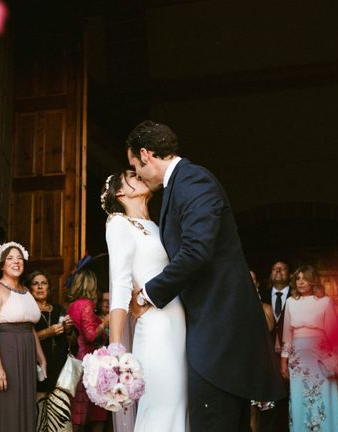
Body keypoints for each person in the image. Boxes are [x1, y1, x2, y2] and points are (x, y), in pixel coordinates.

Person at [126, 120, 285, 431]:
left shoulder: (194, 180)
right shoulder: (179, 186)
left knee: (213, 423)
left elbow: (197, 250)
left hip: (219, 331)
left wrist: (148, 293)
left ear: (145, 154)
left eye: (135, 165)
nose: (139, 175)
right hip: (209, 329)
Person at [103, 169, 189, 431]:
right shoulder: (118, 223)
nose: (140, 174)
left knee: (180, 405)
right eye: (132, 175)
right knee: (162, 404)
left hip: (179, 322)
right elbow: (120, 283)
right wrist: (115, 349)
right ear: (121, 192)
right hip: (155, 326)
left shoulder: (159, 226)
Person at [0, 241, 47, 432]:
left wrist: (41, 357)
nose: (16, 262)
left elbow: (30, 327)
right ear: (1, 264)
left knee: (22, 406)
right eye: (10, 258)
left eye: (20, 258)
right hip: (3, 354)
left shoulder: (26, 291)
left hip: (24, 356)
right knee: (5, 408)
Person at [280, 265, 338, 431]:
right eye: (298, 278)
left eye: (304, 278)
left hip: (320, 358)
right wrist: (283, 362)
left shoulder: (325, 301)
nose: (300, 282)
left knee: (323, 395)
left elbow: (334, 334)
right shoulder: (290, 303)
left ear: (312, 280)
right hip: (298, 361)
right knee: (299, 396)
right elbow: (287, 337)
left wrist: (337, 360)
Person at [29, 269, 75, 432]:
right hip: (37, 372)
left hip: (59, 373)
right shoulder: (27, 311)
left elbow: (70, 340)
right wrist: (48, 332)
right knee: (38, 423)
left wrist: (68, 329)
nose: (40, 287)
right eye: (35, 284)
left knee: (61, 424)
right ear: (30, 288)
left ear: (49, 288)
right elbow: (26, 338)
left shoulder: (58, 309)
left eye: (44, 283)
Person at [66, 268, 109, 432]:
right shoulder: (86, 305)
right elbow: (90, 335)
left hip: (78, 360)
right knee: (87, 412)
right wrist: (105, 322)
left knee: (78, 412)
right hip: (88, 364)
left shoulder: (73, 305)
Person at [260, 260, 292, 432]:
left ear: (289, 274)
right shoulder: (260, 295)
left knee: (291, 396)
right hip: (265, 355)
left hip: (293, 355)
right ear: (270, 274)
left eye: (283, 268)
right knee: (269, 398)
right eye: (274, 268)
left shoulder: (297, 294)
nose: (278, 271)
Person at [249, 270, 275, 432]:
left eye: (253, 279)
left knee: (258, 411)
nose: (249, 281)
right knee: (245, 411)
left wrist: (254, 301)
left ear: (257, 284)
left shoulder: (265, 307)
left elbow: (269, 327)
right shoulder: (234, 306)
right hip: (241, 364)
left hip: (259, 363)